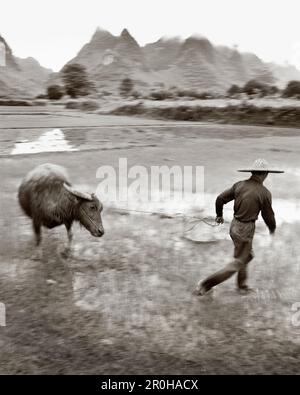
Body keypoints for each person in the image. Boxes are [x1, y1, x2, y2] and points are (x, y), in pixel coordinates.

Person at [194, 158, 284, 296]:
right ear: (265, 174)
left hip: (234, 226)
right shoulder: (264, 193)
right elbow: (268, 216)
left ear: (252, 172)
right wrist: (272, 229)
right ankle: (205, 285)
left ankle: (242, 286)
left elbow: (220, 199)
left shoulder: (239, 185)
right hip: (246, 229)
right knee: (240, 260)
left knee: (246, 255)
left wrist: (219, 215)